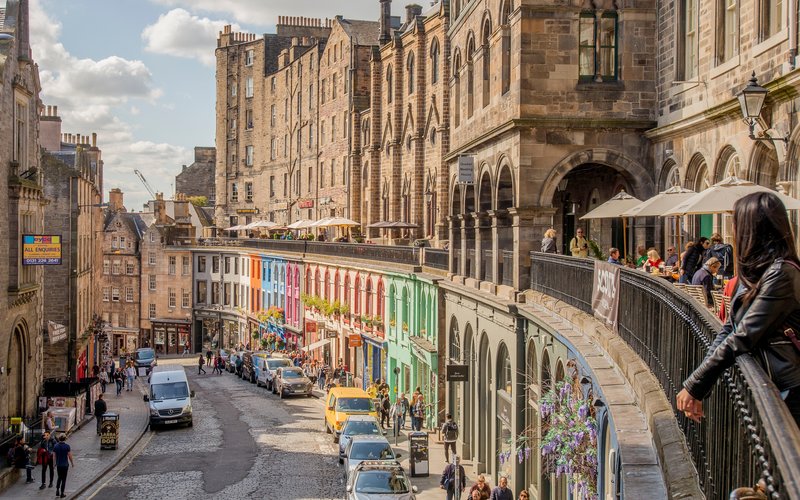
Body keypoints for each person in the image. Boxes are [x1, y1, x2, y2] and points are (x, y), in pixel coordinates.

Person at [677, 192, 800, 427]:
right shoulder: (756, 272)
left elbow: (744, 335)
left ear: (752, 228)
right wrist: (696, 383)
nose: (733, 229)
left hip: (788, 389)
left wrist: (696, 385)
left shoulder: (782, 273)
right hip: (768, 383)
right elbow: (729, 328)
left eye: (736, 222)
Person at [53, 434, 74, 498]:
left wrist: (54, 464)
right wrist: (72, 463)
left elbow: (54, 456)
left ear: (59, 438)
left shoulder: (56, 446)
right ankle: (62, 493)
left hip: (59, 465)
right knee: (64, 479)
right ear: (65, 439)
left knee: (59, 477)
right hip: (65, 465)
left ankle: (57, 490)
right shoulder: (67, 446)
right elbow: (70, 456)